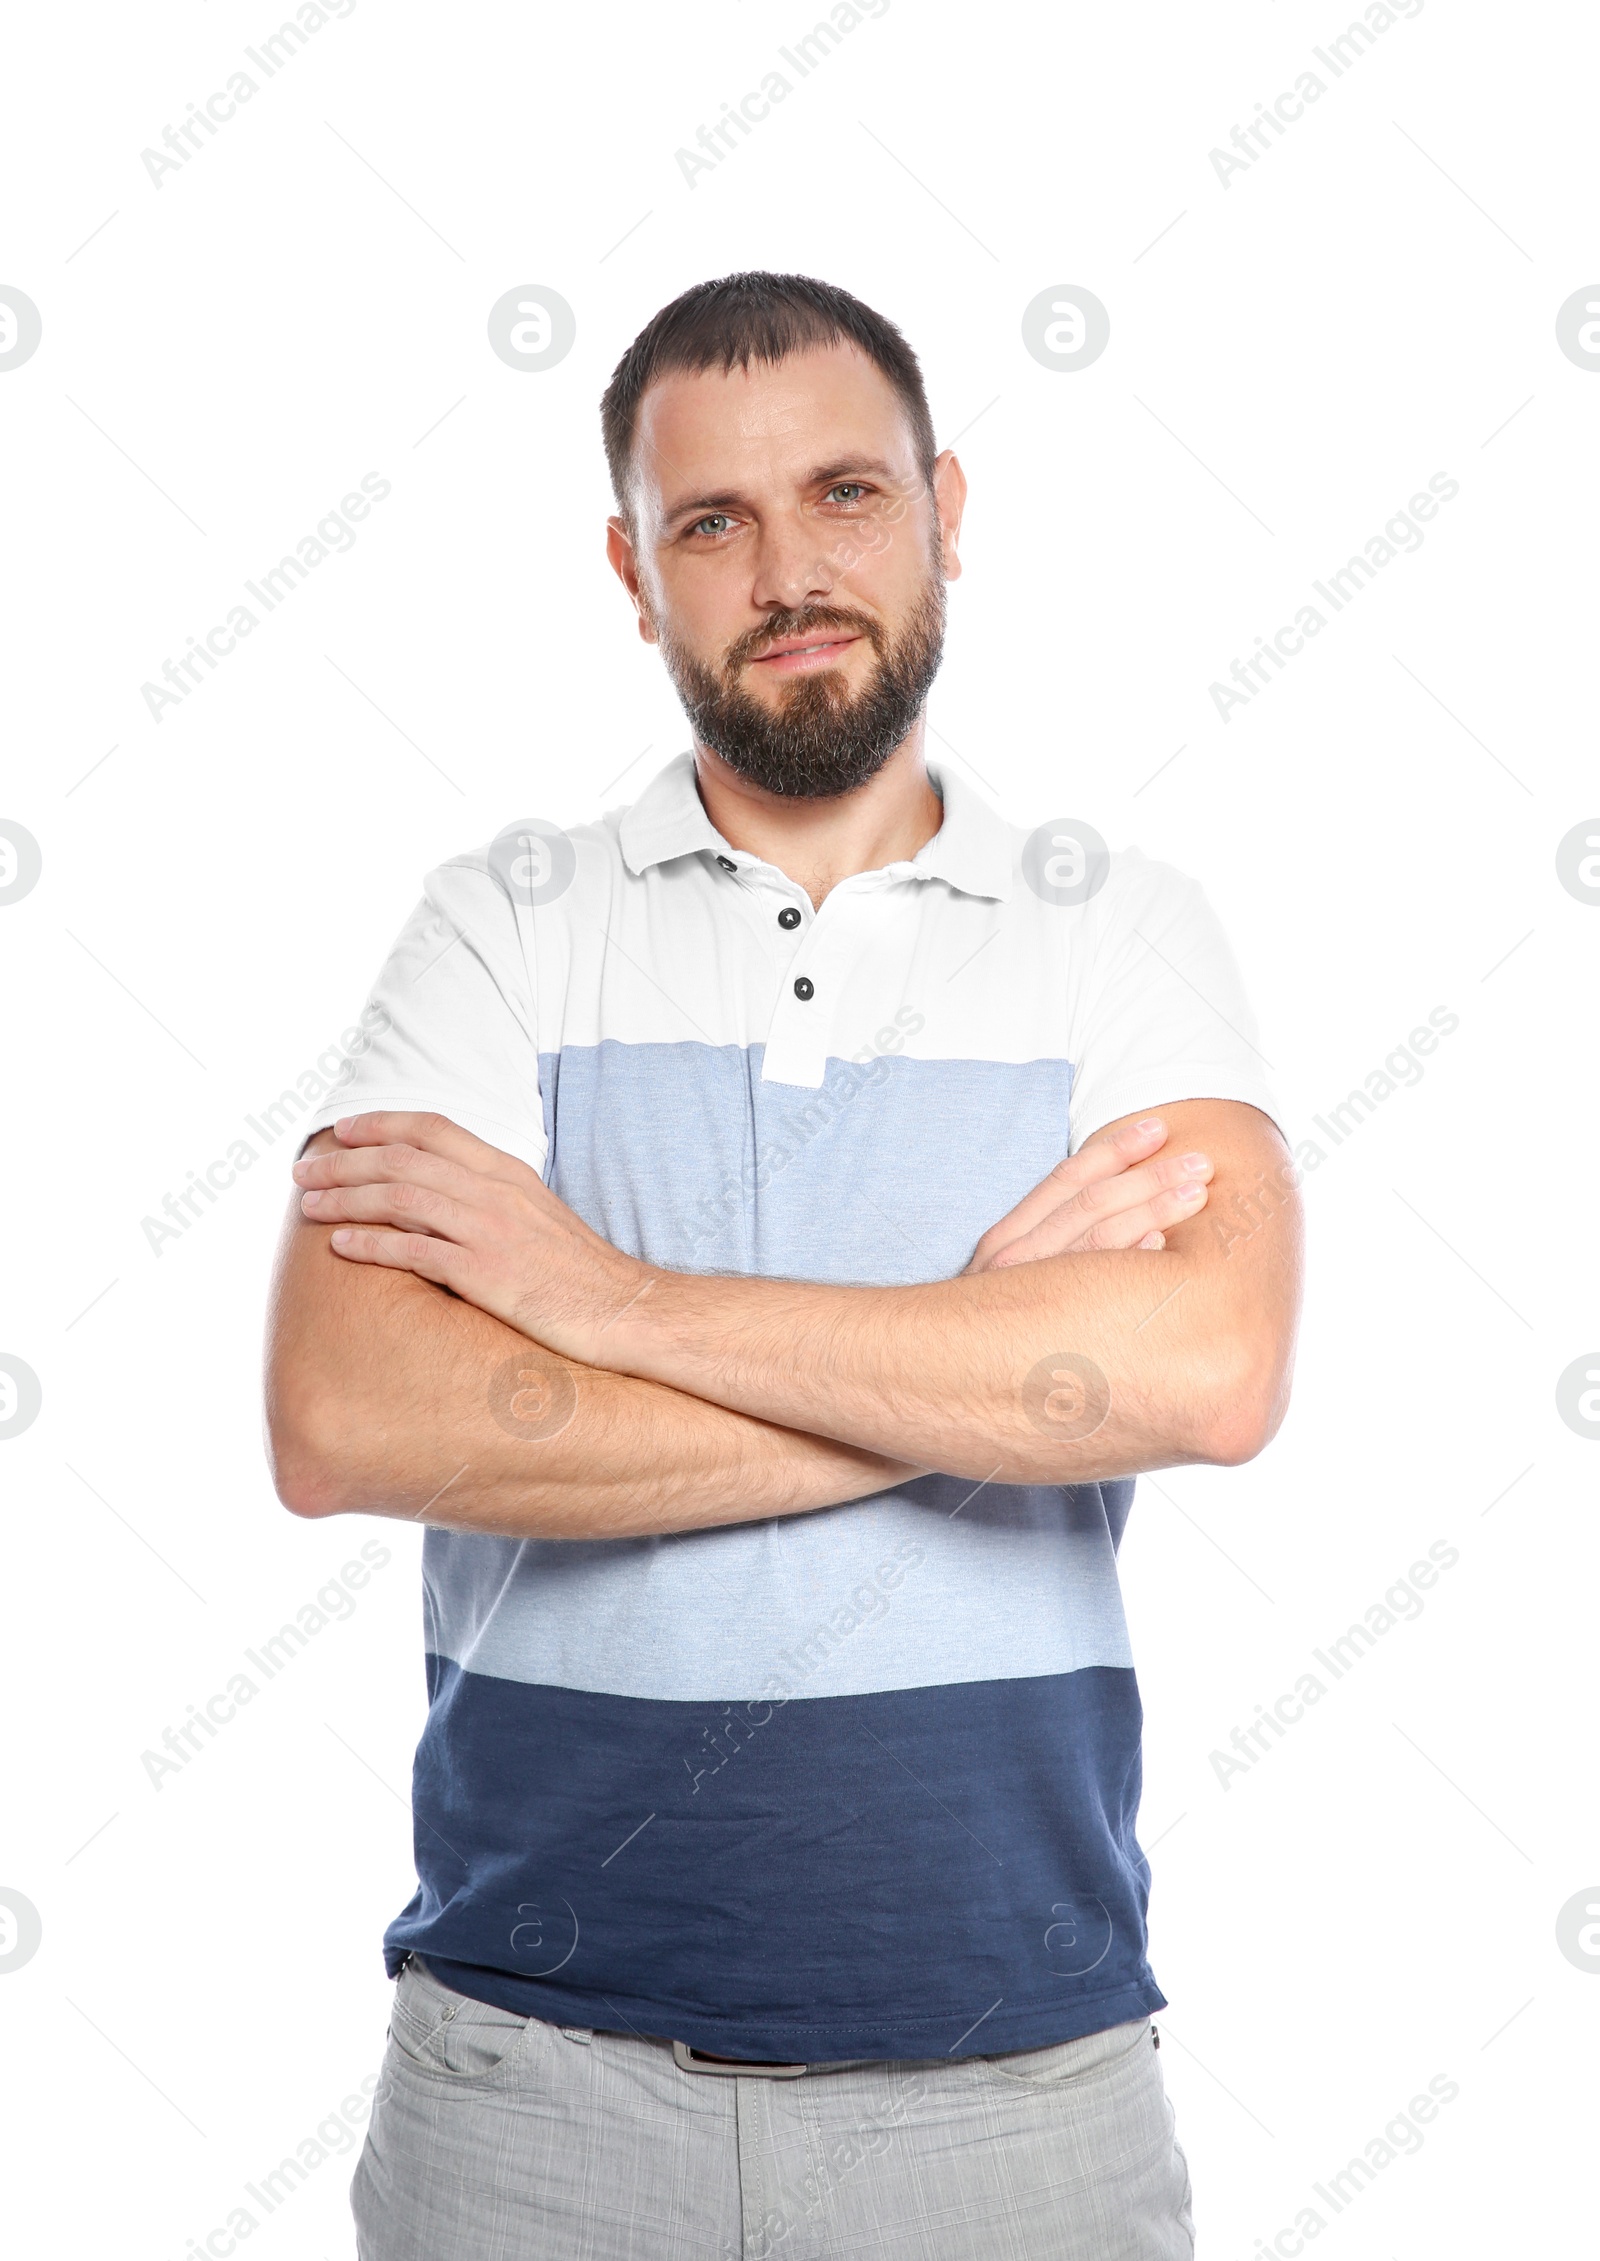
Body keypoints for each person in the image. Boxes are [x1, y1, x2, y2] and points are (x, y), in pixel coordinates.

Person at [265, 270, 1303, 2260]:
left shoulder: (1115, 935)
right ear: (630, 572)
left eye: (843, 494)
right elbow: (341, 1418)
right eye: (709, 521)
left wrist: (608, 1304)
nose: (786, 569)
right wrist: (975, 1383)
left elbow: (1203, 1374)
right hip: (526, 2099)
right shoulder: (499, 926)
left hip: (1018, 2097)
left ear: (944, 510)